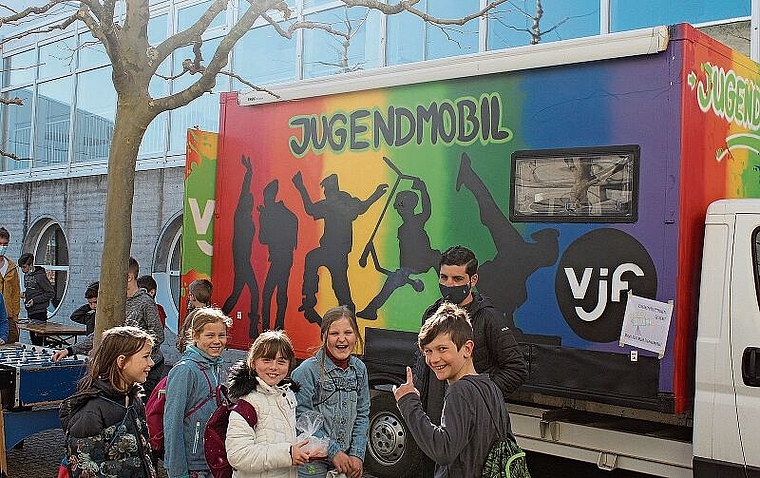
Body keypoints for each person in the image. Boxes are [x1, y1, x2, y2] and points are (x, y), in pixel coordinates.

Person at [394, 303, 514, 478]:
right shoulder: (490, 386)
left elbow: (443, 451)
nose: (434, 359)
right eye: (428, 351)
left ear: (467, 348)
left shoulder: (459, 391)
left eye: (442, 349)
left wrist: (409, 403)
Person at [417, 245, 528, 425]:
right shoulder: (431, 314)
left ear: (473, 280)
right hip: (434, 420)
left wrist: (480, 394)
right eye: (443, 277)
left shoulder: (489, 318)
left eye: (457, 278)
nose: (449, 284)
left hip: (470, 421)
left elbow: (516, 369)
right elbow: (422, 364)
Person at [59, 325, 157, 478]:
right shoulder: (91, 411)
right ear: (122, 361)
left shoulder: (135, 400)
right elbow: (86, 471)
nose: (151, 363)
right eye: (145, 356)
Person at [291, 306, 370, 478]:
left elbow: (362, 414)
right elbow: (300, 415)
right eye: (334, 333)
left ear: (356, 335)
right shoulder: (307, 370)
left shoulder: (359, 369)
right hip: (313, 459)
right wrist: (333, 451)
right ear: (324, 336)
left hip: (346, 458)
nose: (342, 339)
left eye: (348, 332)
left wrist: (357, 454)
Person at [225, 330, 311, 477]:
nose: (274, 367)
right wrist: (288, 454)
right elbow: (237, 455)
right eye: (267, 360)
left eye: (281, 361)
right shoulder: (247, 404)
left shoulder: (286, 395)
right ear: (253, 362)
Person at [163, 307, 231, 478]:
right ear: (195, 336)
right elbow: (173, 422)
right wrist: (177, 471)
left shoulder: (217, 366)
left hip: (213, 458)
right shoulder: (185, 370)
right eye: (210, 335)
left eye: (221, 335)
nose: (217, 341)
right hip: (192, 463)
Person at [126, 256, 165, 397]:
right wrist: (70, 350)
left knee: (142, 406)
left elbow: (158, 335)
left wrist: (138, 353)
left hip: (149, 366)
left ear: (129, 277)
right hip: (127, 366)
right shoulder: (118, 301)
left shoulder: (146, 302)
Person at [19, 253, 55, 345]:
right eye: (21, 268)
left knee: (38, 341)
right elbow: (32, 291)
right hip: (30, 312)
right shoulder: (26, 276)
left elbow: (50, 292)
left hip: (40, 313)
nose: (23, 270)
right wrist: (24, 295)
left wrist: (35, 300)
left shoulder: (41, 276)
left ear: (31, 265)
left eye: (24, 267)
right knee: (33, 339)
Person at [177, 278, 213, 352]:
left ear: (193, 297)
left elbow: (185, 336)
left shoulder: (194, 316)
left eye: (190, 295)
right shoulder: (212, 315)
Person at [0, 227, 21, 343]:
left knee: (11, 348)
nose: (2, 247)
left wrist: (15, 319)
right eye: (0, 244)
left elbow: (15, 294)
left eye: (5, 244)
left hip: (8, 318)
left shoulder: (11, 267)